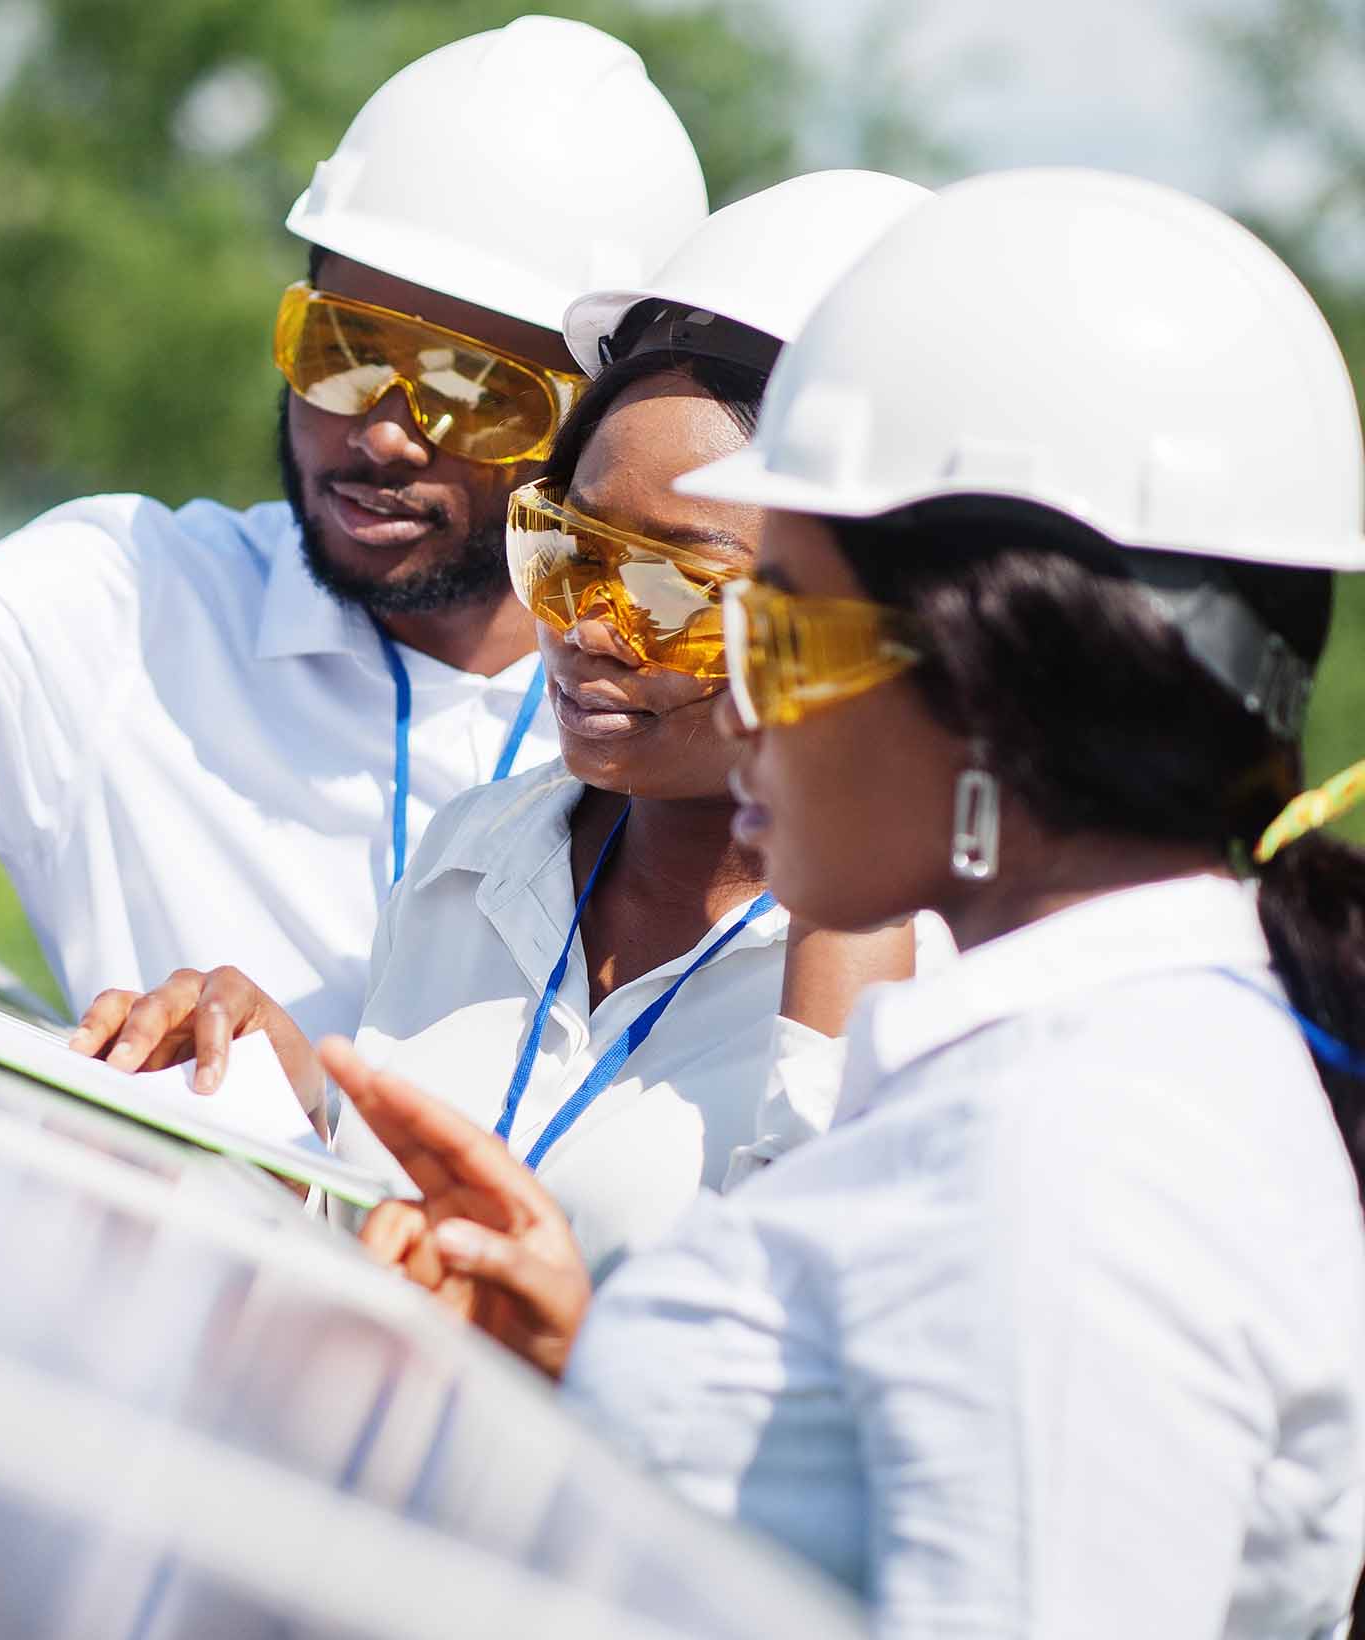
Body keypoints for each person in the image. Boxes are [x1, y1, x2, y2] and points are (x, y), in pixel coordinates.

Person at [335, 168, 1365, 1633]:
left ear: (994, 675)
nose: (739, 699)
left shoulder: (1081, 1153)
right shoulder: (1067, 1077)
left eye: (778, 627)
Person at [0, 17, 708, 1041]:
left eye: (474, 390)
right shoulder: (135, 608)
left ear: (592, 422)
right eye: (344, 350)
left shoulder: (677, 726)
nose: (386, 433)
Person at [71, 172, 933, 1280]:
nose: (586, 625)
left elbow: (802, 1367)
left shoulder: (922, 985)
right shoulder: (473, 859)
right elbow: (383, 1265)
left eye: (674, 593)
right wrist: (287, 1135)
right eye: (569, 551)